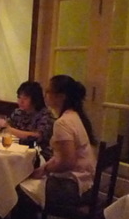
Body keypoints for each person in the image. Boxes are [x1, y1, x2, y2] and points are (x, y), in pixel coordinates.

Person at [30, 75, 96, 209]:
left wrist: (46, 169)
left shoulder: (63, 123)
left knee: (21, 190)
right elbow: (61, 155)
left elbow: (67, 162)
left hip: (71, 185)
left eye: (49, 91)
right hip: (85, 181)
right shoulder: (75, 115)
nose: (45, 95)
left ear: (61, 97)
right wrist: (43, 168)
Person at [0, 81, 55, 161]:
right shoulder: (18, 112)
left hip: (39, 156)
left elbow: (37, 136)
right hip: (18, 151)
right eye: (19, 97)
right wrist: (1, 124)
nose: (20, 101)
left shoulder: (45, 115)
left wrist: (10, 130)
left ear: (35, 99)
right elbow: (7, 127)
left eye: (25, 98)